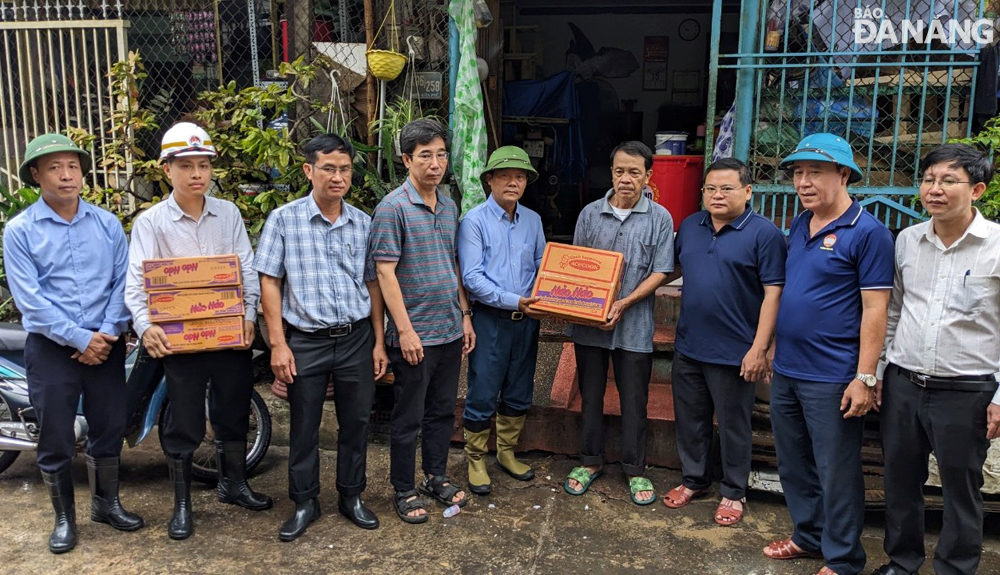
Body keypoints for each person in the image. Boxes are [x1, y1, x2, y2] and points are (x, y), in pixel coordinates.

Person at [125, 122, 271, 541]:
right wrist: (146, 325)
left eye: (203, 165)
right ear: (166, 169)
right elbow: (137, 283)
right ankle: (182, 504)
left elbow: (244, 266)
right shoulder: (152, 223)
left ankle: (234, 484)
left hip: (228, 337)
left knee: (233, 410)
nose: (196, 174)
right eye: (185, 165)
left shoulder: (228, 213)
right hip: (180, 342)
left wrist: (248, 316)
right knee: (184, 421)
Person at [3, 133, 143, 553]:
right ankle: (64, 518)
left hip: (106, 342)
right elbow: (31, 302)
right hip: (52, 349)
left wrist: (106, 333)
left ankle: (107, 504)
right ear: (36, 174)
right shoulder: (20, 231)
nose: (67, 176)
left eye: (73, 167)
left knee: (109, 426)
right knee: (57, 435)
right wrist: (82, 339)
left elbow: (125, 284)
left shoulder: (106, 224)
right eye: (54, 168)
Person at [763, 133, 894, 575]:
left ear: (843, 174)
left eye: (814, 172)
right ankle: (808, 537)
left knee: (836, 470)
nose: (803, 182)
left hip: (833, 374)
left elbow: (876, 308)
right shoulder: (802, 223)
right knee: (793, 461)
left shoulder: (869, 233)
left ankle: (842, 558)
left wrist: (865, 376)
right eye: (798, 173)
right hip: (788, 369)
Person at [874, 143, 1000, 575]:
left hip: (967, 390)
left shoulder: (997, 246)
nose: (935, 189)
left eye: (949, 180)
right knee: (900, 480)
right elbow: (893, 312)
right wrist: (876, 373)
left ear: (977, 189)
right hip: (904, 383)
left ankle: (956, 566)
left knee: (961, 487)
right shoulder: (908, 241)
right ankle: (903, 560)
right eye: (929, 179)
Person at [255, 133, 388, 540]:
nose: (337, 177)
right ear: (308, 170)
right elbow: (269, 282)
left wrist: (380, 341)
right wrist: (278, 343)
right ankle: (305, 502)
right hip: (306, 340)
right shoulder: (284, 219)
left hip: (355, 338)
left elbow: (374, 285)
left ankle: (351, 496)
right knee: (304, 424)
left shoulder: (363, 222)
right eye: (328, 168)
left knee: (355, 422)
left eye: (344, 169)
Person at [663, 158, 786, 526]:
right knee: (690, 420)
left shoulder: (765, 234)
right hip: (688, 345)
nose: (717, 195)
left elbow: (774, 293)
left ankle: (734, 491)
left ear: (748, 191)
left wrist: (760, 348)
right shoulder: (690, 226)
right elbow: (672, 270)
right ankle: (694, 480)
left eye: (727, 188)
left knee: (734, 425)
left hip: (736, 352)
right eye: (710, 188)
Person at [369, 119, 475, 523]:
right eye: (425, 156)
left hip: (449, 328)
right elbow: (384, 274)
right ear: (406, 159)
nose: (436, 164)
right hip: (415, 335)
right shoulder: (392, 208)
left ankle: (435, 475)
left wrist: (465, 315)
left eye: (441, 154)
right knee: (408, 416)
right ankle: (403, 488)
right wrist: (405, 330)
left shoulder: (449, 206)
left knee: (442, 412)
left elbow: (453, 265)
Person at [562, 141, 674, 506]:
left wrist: (623, 303)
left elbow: (661, 270)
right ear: (611, 173)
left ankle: (635, 468)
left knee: (634, 400)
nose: (626, 179)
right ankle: (589, 462)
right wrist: (585, 309)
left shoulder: (660, 218)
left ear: (648, 176)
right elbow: (574, 265)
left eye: (634, 172)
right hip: (590, 327)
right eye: (619, 171)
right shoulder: (590, 214)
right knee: (591, 396)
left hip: (635, 328)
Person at [457, 146, 546, 495]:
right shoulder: (474, 221)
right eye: (505, 175)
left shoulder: (533, 221)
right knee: (483, 388)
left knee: (520, 387)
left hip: (527, 320)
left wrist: (553, 295)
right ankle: (476, 458)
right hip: (491, 319)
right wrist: (516, 301)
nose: (513, 182)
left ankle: (506, 452)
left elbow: (544, 266)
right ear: (489, 180)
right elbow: (472, 278)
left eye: (520, 176)